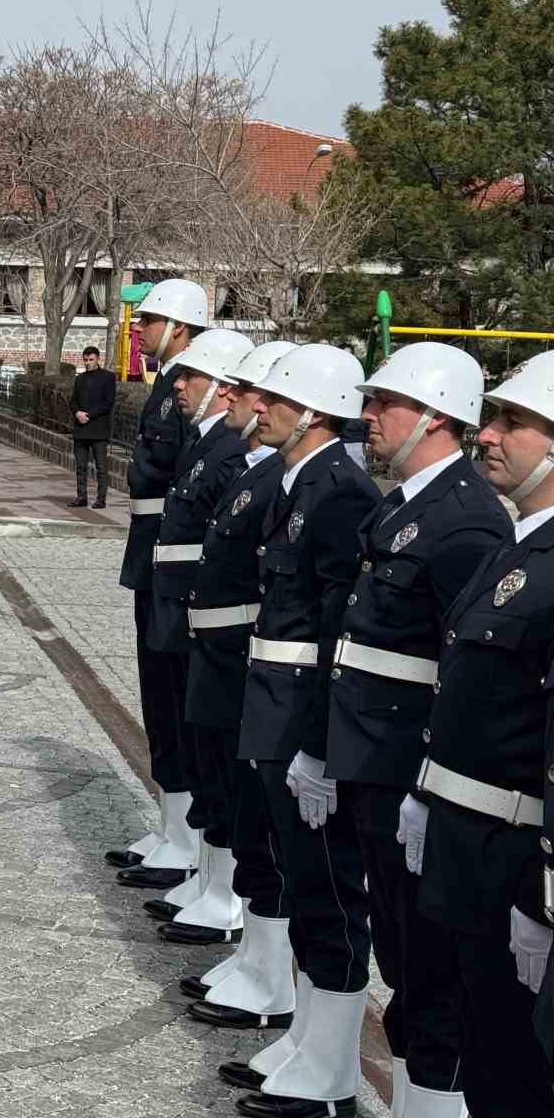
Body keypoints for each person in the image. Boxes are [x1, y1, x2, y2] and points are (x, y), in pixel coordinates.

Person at [309, 344, 506, 1116]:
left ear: (434, 417)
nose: (368, 418)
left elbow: (466, 677)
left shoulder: (463, 523)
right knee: (399, 952)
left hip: (409, 773)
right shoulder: (402, 505)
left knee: (428, 975)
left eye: (384, 405)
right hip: (371, 762)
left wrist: (429, 784)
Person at [396, 350, 554, 1116]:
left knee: (517, 1074)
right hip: (466, 847)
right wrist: (427, 790)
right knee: (477, 1051)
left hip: (513, 862)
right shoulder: (514, 544)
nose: (486, 435)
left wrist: (541, 897)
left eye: (512, 422)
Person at [230, 345, 381, 1118]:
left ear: (312, 413)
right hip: (273, 701)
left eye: (275, 403)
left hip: (300, 709)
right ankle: (308, 1038)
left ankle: (334, 1070)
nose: (260, 411)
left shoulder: (339, 493)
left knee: (326, 887)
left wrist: (321, 742)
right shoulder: (302, 485)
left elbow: (334, 631)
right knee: (298, 874)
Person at [168, 344, 302, 1055]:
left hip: (253, 668)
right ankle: (252, 954)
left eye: (257, 392)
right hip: (223, 657)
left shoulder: (292, 482)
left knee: (266, 831)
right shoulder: (258, 472)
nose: (243, 402)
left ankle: (268, 972)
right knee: (230, 801)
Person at [135, 329, 256, 924]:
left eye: (194, 377)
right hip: (179, 608)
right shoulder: (207, 445)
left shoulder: (229, 453)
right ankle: (208, 877)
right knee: (189, 740)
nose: (178, 383)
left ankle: (222, 891)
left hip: (202, 621)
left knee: (209, 751)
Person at [105, 278, 207, 881]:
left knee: (171, 693)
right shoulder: (167, 382)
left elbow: (168, 475)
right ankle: (172, 825)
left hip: (172, 552)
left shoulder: (187, 385)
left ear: (179, 325)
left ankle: (188, 836)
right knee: (157, 694)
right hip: (152, 547)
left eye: (148, 321)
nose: (138, 331)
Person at [69, 345, 116, 508]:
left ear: (98, 359)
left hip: (98, 430)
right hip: (81, 429)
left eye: (91, 359)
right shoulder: (79, 379)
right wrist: (77, 413)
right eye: (85, 360)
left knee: (101, 467)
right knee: (80, 466)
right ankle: (81, 496)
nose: (88, 363)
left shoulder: (108, 377)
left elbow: (108, 403)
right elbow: (73, 400)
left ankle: (101, 499)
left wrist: (88, 415)